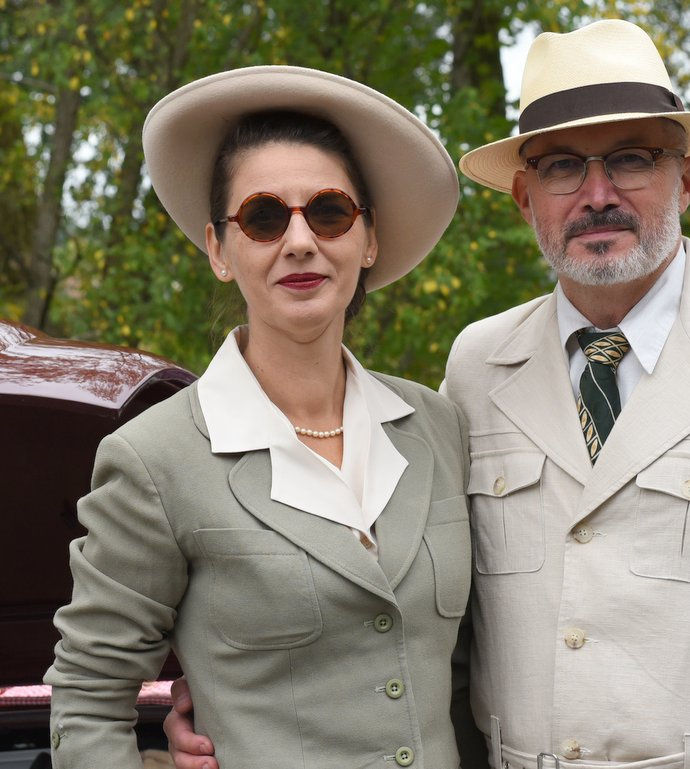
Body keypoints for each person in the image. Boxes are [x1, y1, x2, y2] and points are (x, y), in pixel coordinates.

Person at [166, 20, 690, 769]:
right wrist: (233, 701)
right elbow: (417, 609)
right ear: (525, 197)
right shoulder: (479, 366)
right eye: (561, 166)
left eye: (631, 158)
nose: (597, 195)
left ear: (686, 179)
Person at [44, 65, 477, 769]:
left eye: (329, 212)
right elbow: (89, 702)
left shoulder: (438, 426)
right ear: (220, 249)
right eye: (264, 217)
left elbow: (464, 677)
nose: (300, 240)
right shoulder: (154, 459)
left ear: (368, 239)